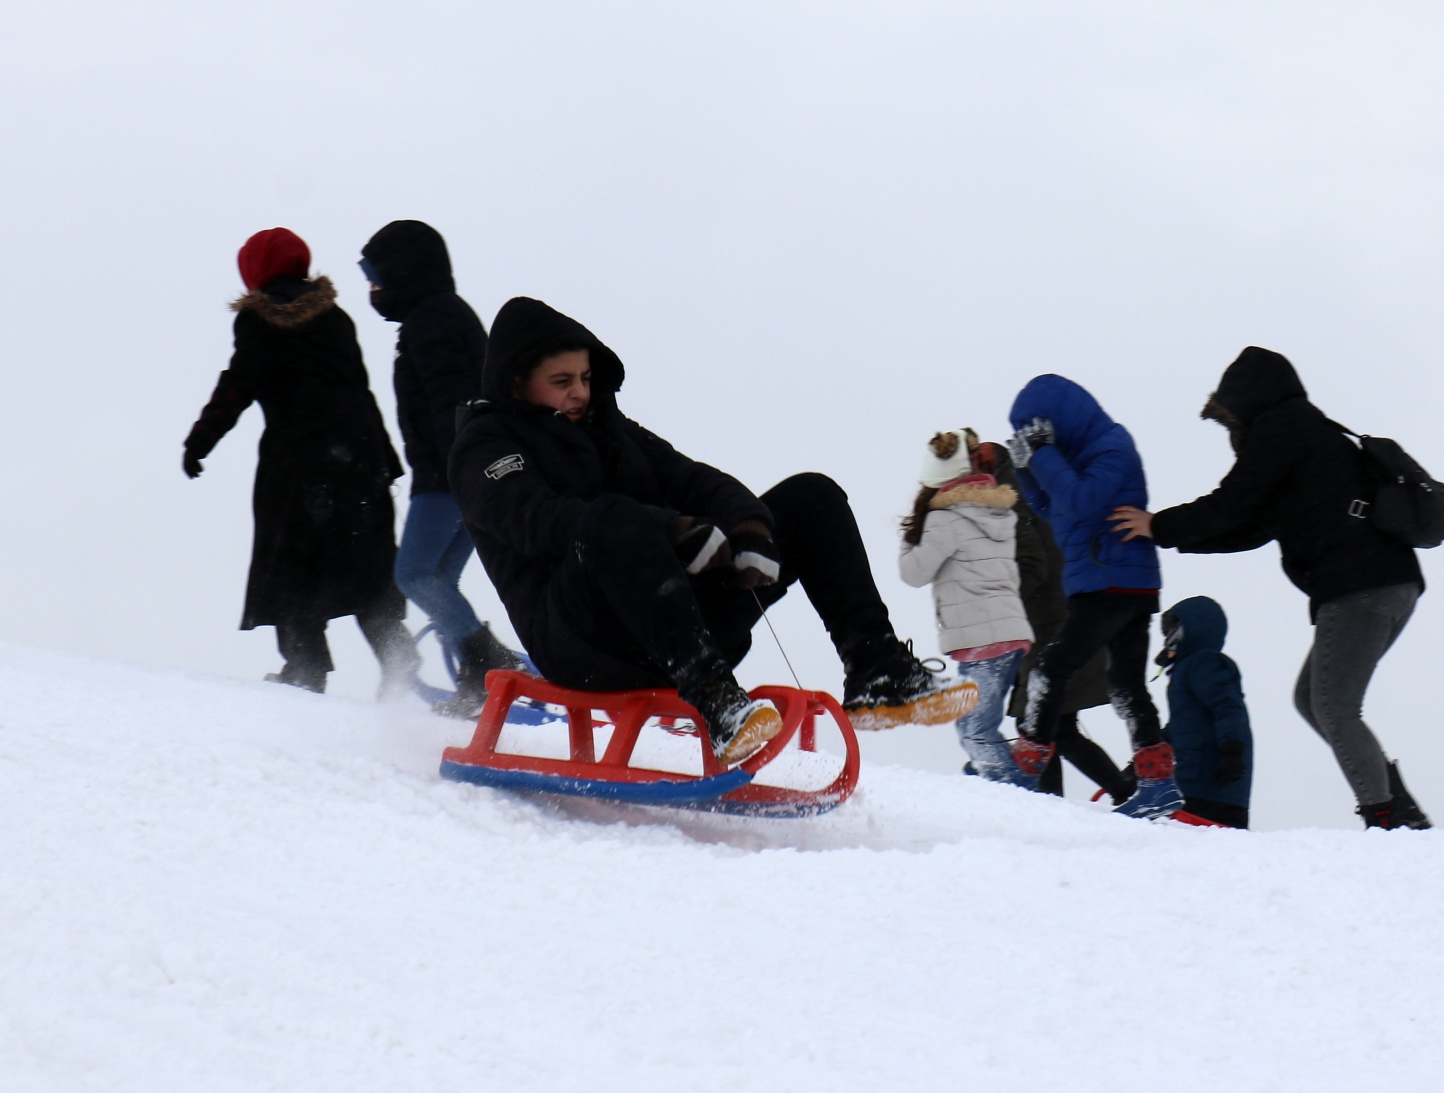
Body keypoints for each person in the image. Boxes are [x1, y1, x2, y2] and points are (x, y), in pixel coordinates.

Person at [447, 296, 978, 765]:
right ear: (518, 382)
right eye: (561, 382)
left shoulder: (610, 430)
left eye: (584, 379)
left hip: (676, 621)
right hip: (583, 642)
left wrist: (749, 528)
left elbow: (691, 479)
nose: (580, 393)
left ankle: (877, 672)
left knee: (812, 497)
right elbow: (536, 519)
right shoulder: (486, 446)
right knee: (607, 515)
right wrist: (670, 530)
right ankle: (717, 703)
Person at [1110, 346, 1431, 830]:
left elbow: (1230, 504)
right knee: (1314, 701)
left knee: (1334, 706)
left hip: (1359, 586)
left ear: (1247, 402)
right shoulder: (1311, 438)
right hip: (1385, 583)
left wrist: (1159, 525)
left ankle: (1388, 818)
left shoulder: (1282, 430)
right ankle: (1395, 804)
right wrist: (1168, 537)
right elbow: (1251, 527)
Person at [183, 227, 418, 695]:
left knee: (290, 566)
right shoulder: (336, 318)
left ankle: (306, 668)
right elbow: (360, 391)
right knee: (367, 564)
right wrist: (386, 459)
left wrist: (200, 441)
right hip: (358, 460)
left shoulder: (259, 321)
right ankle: (399, 661)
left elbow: (238, 385)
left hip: (298, 466)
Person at [360, 220, 520, 714]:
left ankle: (486, 663)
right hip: (467, 470)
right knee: (439, 579)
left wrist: (460, 466)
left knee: (412, 574)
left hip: (450, 475)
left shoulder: (432, 322)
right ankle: (478, 676)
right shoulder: (442, 316)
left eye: (378, 277)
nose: (372, 289)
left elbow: (455, 397)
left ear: (405, 273)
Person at [1006, 374, 1181, 819]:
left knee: (1050, 670)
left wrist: (1042, 456)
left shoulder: (1112, 448)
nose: (1036, 440)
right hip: (1109, 582)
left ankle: (1025, 769)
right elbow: (1050, 506)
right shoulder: (1076, 455)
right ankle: (1158, 785)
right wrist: (1027, 467)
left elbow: (1081, 501)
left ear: (1058, 420)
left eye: (1036, 430)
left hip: (1113, 582)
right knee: (1125, 685)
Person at [980, 441, 1131, 804]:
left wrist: (1000, 600)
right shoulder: (1026, 490)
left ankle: (1118, 795)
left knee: (1047, 726)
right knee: (1050, 726)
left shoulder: (1009, 497)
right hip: (1062, 620)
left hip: (1050, 625)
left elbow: (1034, 566)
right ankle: (1081, 799)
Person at [898, 430, 1036, 788]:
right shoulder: (996, 510)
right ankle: (989, 784)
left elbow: (913, 572)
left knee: (975, 730)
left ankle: (1015, 797)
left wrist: (908, 536)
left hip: (984, 638)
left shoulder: (949, 518)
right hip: (1007, 633)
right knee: (972, 724)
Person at [1155, 597, 1253, 829]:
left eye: (1171, 629)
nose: (1167, 637)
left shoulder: (1205, 661)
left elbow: (1228, 707)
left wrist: (1232, 750)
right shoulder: (1185, 670)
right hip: (1193, 784)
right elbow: (1179, 726)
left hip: (1212, 786)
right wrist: (1149, 755)